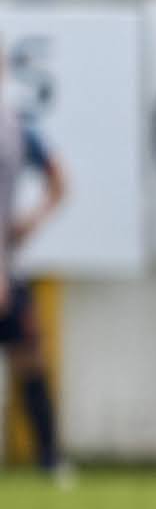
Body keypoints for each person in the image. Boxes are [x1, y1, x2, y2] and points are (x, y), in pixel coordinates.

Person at [0, 64, 63, 482]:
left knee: (30, 357)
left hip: (7, 265)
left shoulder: (17, 125)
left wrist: (28, 222)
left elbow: (60, 181)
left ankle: (50, 459)